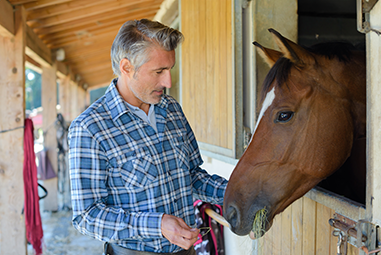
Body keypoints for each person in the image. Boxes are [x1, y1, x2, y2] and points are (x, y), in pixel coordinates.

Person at [68, 19, 228, 255]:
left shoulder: (172, 109)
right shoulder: (90, 128)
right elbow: (87, 217)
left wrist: (240, 193)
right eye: (158, 71)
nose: (168, 82)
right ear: (126, 67)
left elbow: (192, 176)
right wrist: (158, 225)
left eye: (170, 69)